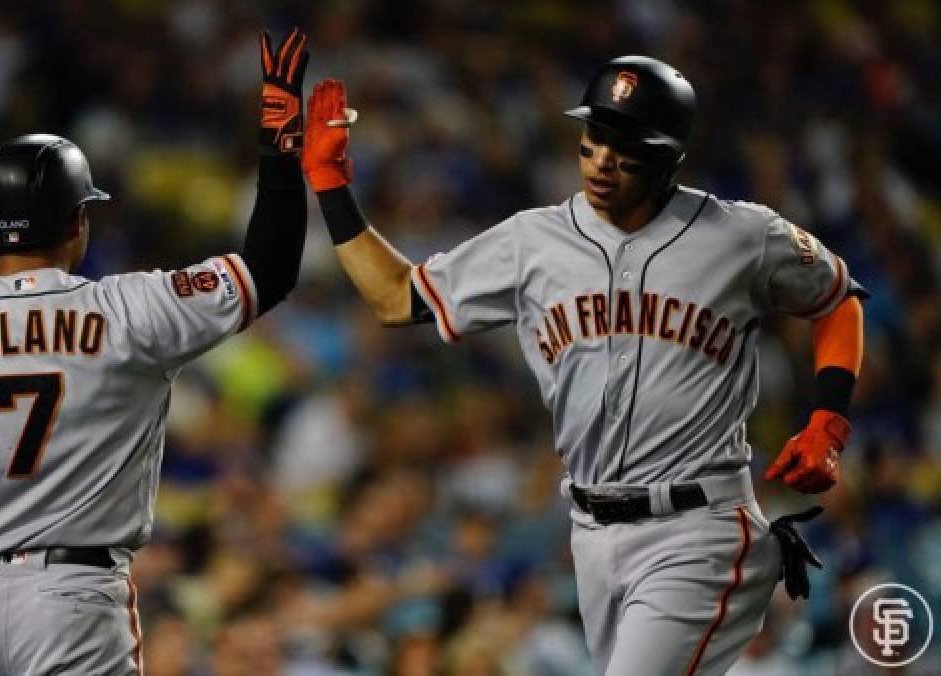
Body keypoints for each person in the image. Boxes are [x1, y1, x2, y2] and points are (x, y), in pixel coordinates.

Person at [300, 56, 865, 676]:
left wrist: (828, 421)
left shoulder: (741, 235)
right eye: (594, 138)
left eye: (626, 148)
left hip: (699, 528)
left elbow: (836, 298)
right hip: (590, 533)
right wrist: (329, 182)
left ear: (670, 158)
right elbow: (395, 296)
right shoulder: (530, 241)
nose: (602, 159)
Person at [0, 28, 310, 675]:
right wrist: (281, 139)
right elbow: (270, 268)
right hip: (71, 597)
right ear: (78, 221)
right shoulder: (133, 307)